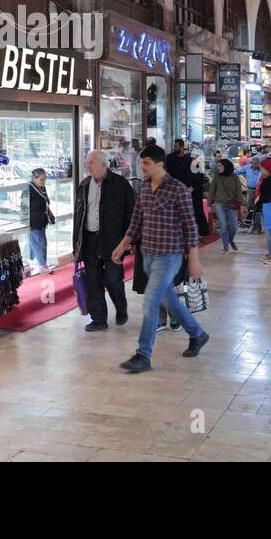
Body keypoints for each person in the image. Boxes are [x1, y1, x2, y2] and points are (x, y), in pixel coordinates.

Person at [113, 145, 210, 374]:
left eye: (146, 163)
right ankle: (198, 334)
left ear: (159, 164)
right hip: (147, 256)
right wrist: (121, 246)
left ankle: (143, 354)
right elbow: (136, 222)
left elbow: (190, 225)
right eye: (141, 162)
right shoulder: (144, 188)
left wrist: (194, 259)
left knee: (150, 302)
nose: (142, 167)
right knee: (170, 301)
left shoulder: (177, 189)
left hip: (170, 257)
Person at [73, 150, 136, 331]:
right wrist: (76, 245)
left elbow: (131, 212)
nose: (88, 166)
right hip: (89, 240)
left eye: (92, 162)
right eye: (87, 162)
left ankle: (121, 308)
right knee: (93, 281)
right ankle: (98, 319)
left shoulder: (120, 184)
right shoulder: (84, 185)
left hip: (114, 241)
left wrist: (129, 239)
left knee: (112, 279)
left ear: (104, 165)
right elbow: (79, 216)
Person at [210, 158, 245, 252]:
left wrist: (242, 204)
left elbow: (239, 192)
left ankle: (231, 240)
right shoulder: (217, 177)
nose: (218, 168)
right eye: (218, 166)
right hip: (219, 204)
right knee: (223, 225)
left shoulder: (235, 177)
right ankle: (225, 246)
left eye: (220, 166)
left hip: (232, 204)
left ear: (226, 166)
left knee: (234, 226)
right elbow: (212, 191)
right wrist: (209, 205)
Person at [26, 168, 55, 275]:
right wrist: (26, 223)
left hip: (42, 220)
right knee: (40, 243)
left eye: (45, 179)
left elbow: (46, 201)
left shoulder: (41, 188)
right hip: (33, 222)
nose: (44, 182)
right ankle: (43, 265)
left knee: (35, 242)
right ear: (34, 178)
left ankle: (27, 262)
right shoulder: (28, 189)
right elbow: (24, 207)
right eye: (42, 180)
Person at [235, 155, 264, 232]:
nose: (255, 165)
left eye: (257, 163)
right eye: (254, 163)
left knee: (258, 207)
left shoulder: (262, 169)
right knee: (249, 206)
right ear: (251, 163)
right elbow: (237, 172)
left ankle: (258, 226)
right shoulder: (247, 168)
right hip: (250, 190)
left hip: (259, 191)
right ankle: (250, 224)